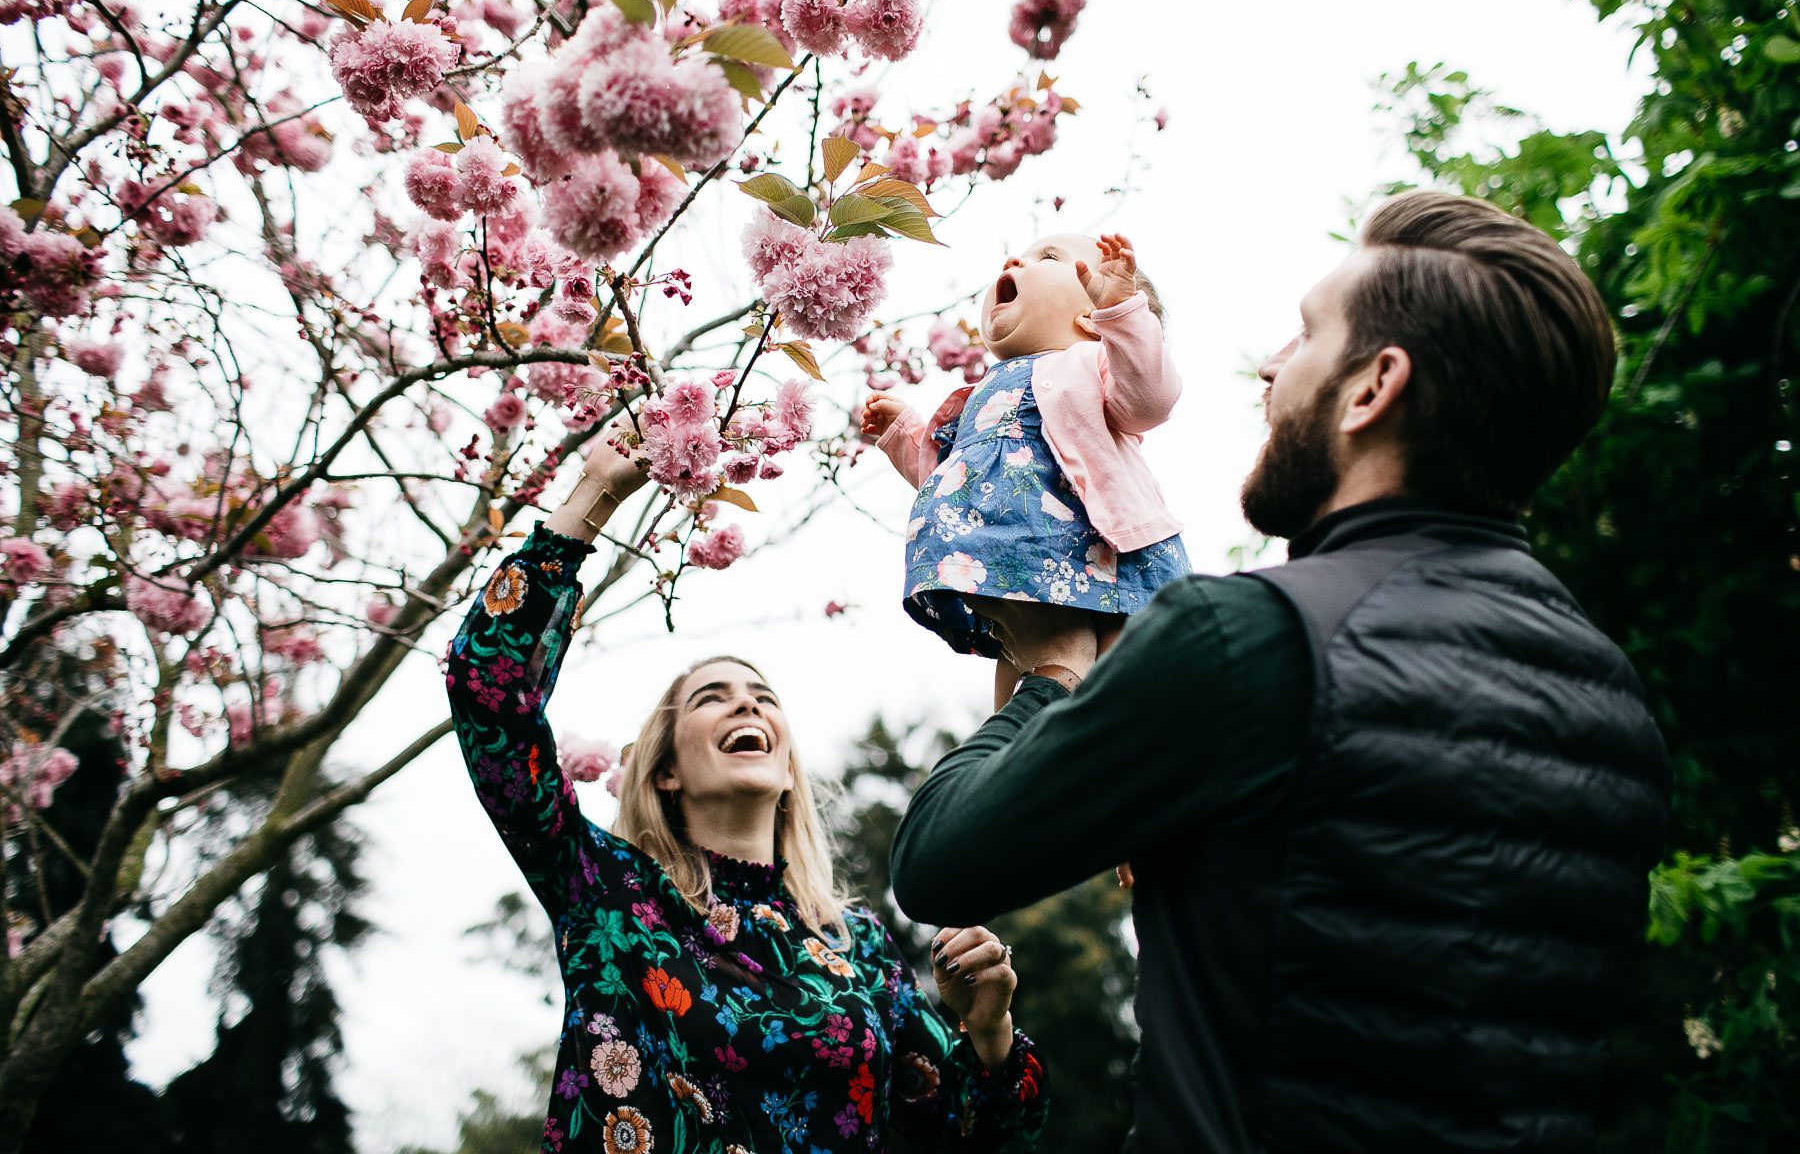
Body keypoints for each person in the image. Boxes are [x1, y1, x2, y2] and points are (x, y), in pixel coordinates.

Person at [888, 191, 1672, 1152]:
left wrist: (1050, 675)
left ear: (1371, 388)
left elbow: (937, 863)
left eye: (1304, 339)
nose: (1269, 367)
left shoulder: (1248, 640)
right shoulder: (1611, 697)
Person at [445, 432, 1049, 1153]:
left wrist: (988, 1031)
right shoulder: (607, 893)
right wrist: (595, 495)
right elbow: (489, 695)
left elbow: (968, 1140)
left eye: (763, 697)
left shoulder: (857, 953)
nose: (747, 707)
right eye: (713, 698)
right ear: (664, 770)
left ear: (788, 767)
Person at [860, 232, 1191, 708]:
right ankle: (1018, 764)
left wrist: (1122, 315)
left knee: (1121, 682)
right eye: (1020, 255)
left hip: (1105, 551)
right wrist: (906, 434)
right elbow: (956, 484)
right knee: (1017, 681)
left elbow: (1150, 399)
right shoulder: (979, 395)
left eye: (1049, 257)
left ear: (1092, 320)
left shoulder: (1092, 364)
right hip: (1018, 557)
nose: (1017, 259)